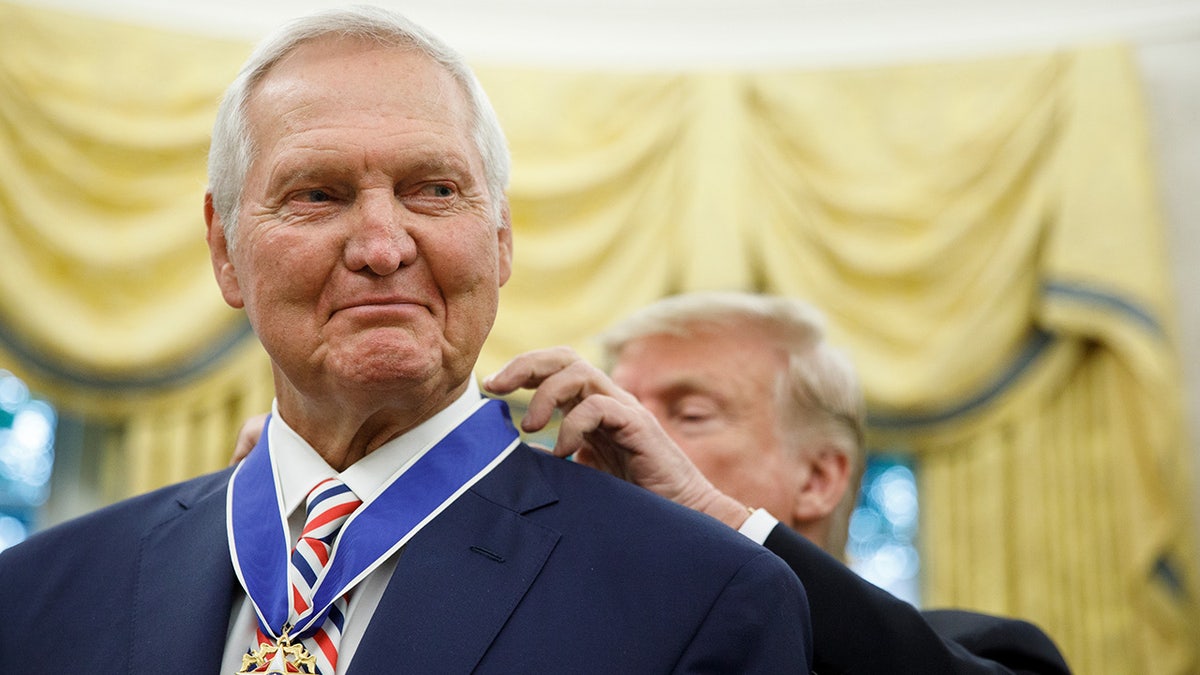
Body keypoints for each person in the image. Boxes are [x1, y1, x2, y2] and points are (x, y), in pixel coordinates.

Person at [0, 9, 813, 674]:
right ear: (224, 250)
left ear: (500, 238)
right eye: (318, 194)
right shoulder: (36, 596)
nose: (382, 246)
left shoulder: (698, 594)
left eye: (434, 189)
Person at [482, 291, 1071, 674]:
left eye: (689, 414)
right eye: (623, 405)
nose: (627, 431)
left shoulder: (985, 647)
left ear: (818, 477)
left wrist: (701, 508)